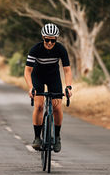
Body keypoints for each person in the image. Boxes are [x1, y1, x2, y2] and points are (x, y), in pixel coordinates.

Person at [24, 23, 73, 153]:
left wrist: (68, 87)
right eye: (47, 40)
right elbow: (27, 71)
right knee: (39, 105)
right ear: (43, 38)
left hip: (53, 77)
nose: (50, 43)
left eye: (53, 40)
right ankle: (37, 138)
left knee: (57, 107)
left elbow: (67, 70)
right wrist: (31, 88)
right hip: (38, 76)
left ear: (56, 40)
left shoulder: (60, 49)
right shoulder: (35, 49)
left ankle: (57, 137)